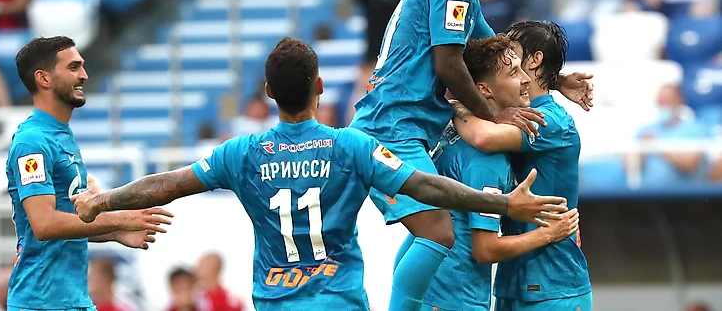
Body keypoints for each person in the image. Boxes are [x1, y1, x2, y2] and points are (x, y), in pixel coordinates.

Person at [71, 37, 569, 311]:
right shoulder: (352, 146)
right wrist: (505, 203)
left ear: (268, 91)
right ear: (321, 87)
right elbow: (426, 187)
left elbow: (166, 184)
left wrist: (103, 200)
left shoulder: (241, 154)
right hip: (338, 300)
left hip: (275, 302)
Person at [348, 0, 593, 310]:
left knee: (428, 229)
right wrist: (496, 114)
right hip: (390, 128)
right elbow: (449, 64)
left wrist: (554, 77)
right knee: (437, 231)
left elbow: (495, 53)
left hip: (398, 126)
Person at [5, 36, 174, 311]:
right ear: (44, 78)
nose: (83, 75)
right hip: (40, 302)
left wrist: (116, 233)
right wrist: (120, 219)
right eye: (73, 67)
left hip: (74, 300)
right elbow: (44, 224)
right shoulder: (32, 142)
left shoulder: (61, 135)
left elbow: (69, 220)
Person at [423, 35, 579, 311]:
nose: (525, 79)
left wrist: (457, 106)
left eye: (522, 69)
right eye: (513, 72)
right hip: (459, 297)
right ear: (484, 89)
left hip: (442, 290)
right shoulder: (487, 160)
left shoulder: (455, 131)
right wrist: (549, 233)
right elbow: (484, 249)